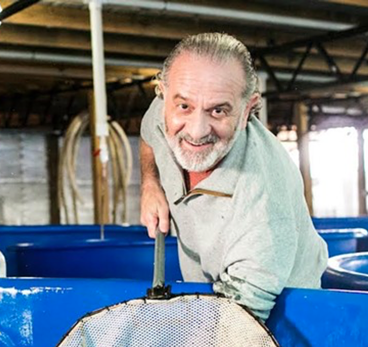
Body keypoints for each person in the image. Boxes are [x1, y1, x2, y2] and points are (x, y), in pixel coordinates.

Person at [140, 32, 327, 321]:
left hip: (282, 318)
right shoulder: (162, 111)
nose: (197, 130)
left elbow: (238, 329)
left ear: (247, 109)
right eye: (184, 106)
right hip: (212, 296)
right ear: (163, 94)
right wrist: (150, 184)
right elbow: (149, 134)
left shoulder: (262, 200)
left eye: (218, 110)